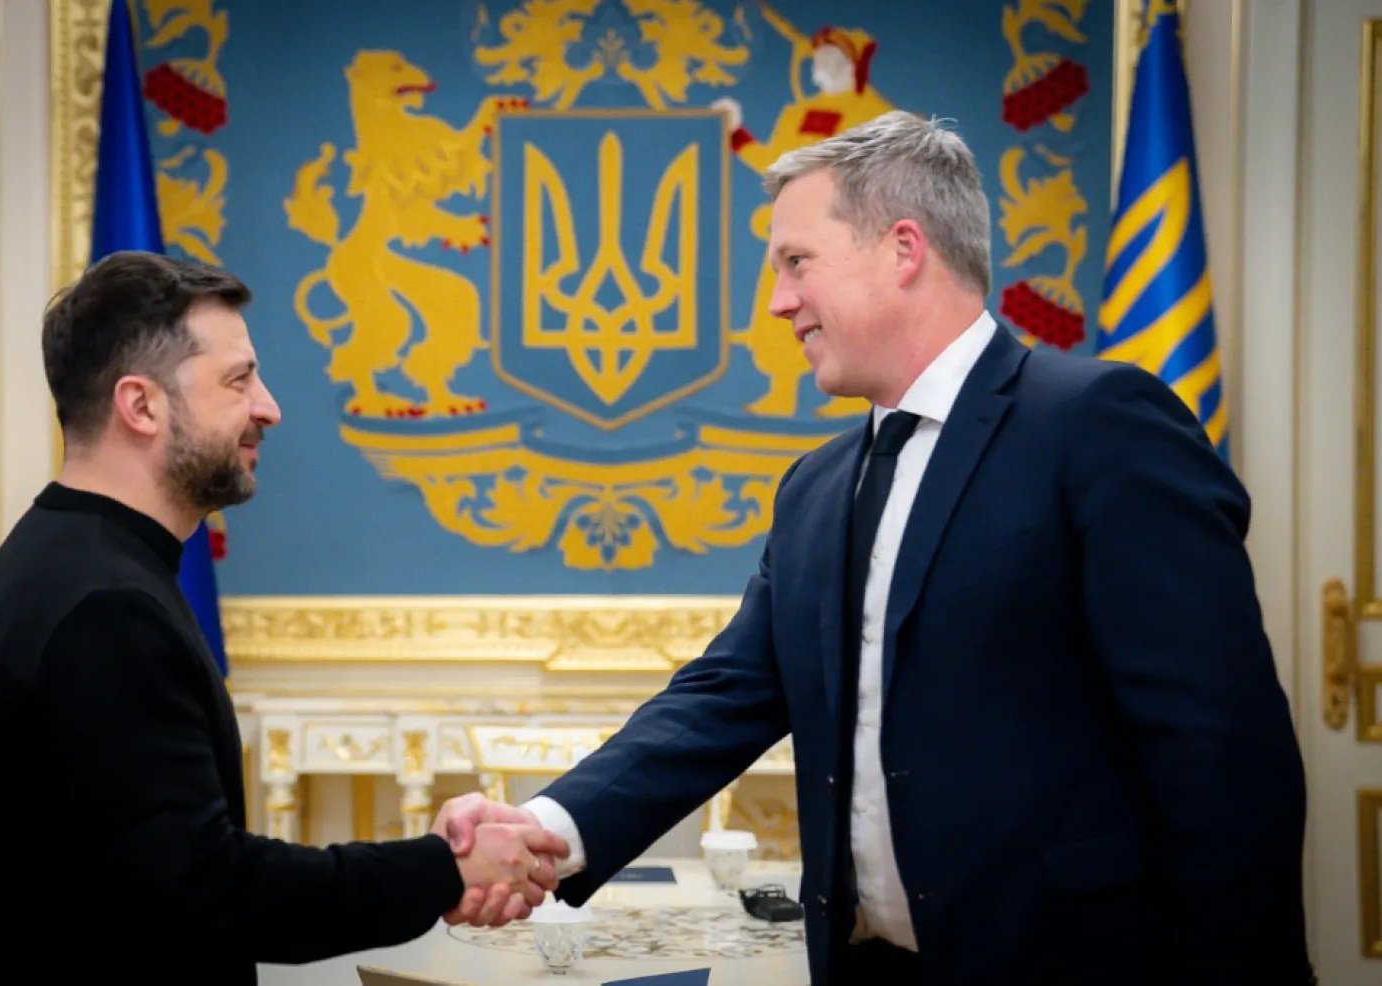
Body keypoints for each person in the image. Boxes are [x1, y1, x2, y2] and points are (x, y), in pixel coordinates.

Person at [434, 112, 1312, 984]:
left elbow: (1220, 752)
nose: (779, 302)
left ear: (903, 249)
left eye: (796, 262)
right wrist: (549, 827)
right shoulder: (817, 486)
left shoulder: (1099, 425)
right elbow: (727, 695)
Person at [0, 251, 566, 985]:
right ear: (141, 406)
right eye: (238, 381)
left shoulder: (53, 559)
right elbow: (210, 888)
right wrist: (444, 870)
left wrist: (435, 862)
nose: (268, 408)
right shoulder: (107, 610)